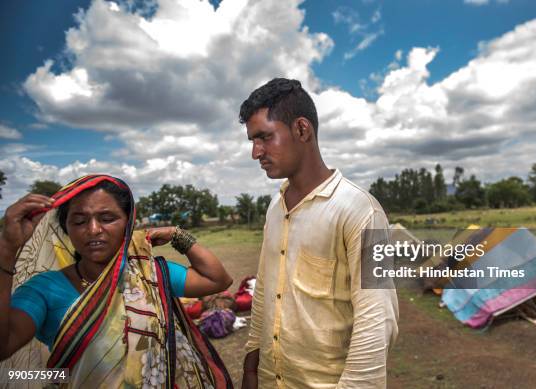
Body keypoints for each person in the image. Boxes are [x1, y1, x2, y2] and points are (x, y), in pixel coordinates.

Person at [0, 175, 234, 388]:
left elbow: (217, 280)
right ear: (66, 229)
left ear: (128, 223)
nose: (93, 230)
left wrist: (177, 234)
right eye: (79, 221)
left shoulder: (149, 274)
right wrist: (7, 249)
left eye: (107, 218)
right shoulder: (44, 289)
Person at [239, 78, 399, 388]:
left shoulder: (363, 212)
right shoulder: (275, 208)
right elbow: (265, 290)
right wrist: (252, 362)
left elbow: (377, 320)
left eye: (264, 137)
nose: (255, 152)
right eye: (252, 141)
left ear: (302, 129)